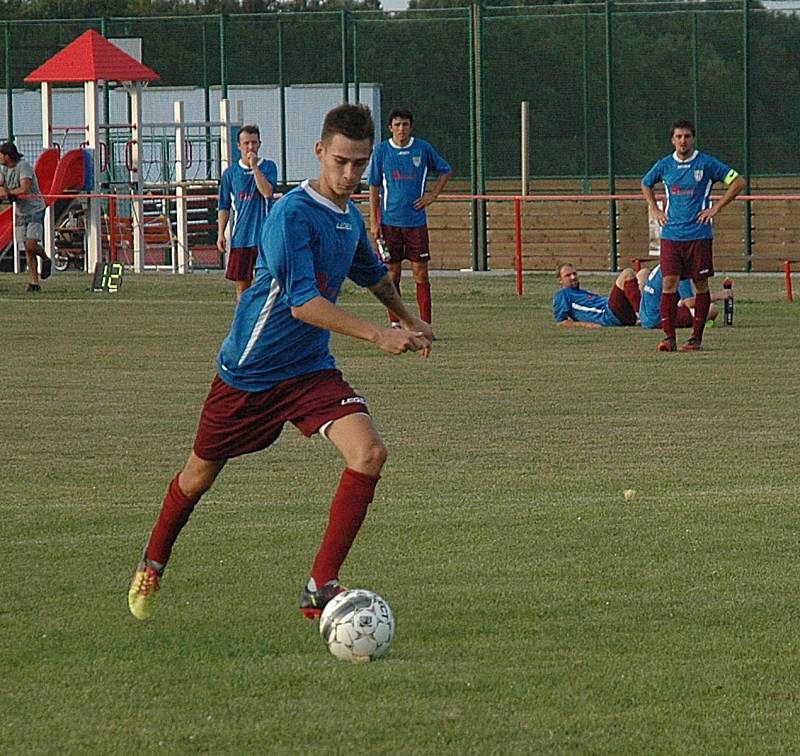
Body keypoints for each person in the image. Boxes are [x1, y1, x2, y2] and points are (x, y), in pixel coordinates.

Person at [128, 104, 433, 622]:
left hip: (309, 369)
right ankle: (153, 560)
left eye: (360, 164)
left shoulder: (349, 217)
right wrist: (379, 334)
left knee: (369, 453)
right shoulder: (292, 214)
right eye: (341, 161)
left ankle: (320, 587)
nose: (351, 174)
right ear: (319, 152)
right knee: (198, 476)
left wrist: (408, 317)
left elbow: (373, 274)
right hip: (250, 373)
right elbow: (303, 303)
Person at [641, 119, 744, 352]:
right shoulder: (665, 165)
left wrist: (716, 208)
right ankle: (669, 338)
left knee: (700, 283)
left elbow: (737, 181)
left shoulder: (706, 163)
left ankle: (696, 338)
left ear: (693, 138)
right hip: (672, 235)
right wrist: (655, 208)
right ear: (672, 140)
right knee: (669, 283)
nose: (683, 141)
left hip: (699, 234)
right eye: (678, 137)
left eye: (687, 136)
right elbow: (646, 183)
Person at [368, 107, 451, 327]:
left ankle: (425, 323)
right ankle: (395, 322)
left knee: (420, 272)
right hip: (389, 222)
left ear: (410, 127)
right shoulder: (382, 151)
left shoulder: (422, 149)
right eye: (397, 125)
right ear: (390, 128)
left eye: (405, 125)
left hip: (415, 223)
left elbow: (445, 170)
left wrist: (431, 196)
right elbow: (374, 187)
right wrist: (373, 221)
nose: (401, 129)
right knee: (392, 273)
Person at [217, 125, 278, 300]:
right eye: (246, 143)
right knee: (242, 287)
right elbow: (224, 206)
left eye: (254, 143)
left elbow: (267, 192)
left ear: (259, 144)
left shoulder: (268, 167)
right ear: (239, 146)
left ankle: (264, 322)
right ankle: (243, 323)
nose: (250, 147)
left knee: (266, 284)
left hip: (264, 237)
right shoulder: (230, 173)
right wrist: (221, 233)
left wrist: (254, 168)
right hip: (241, 237)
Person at [0, 142, 51, 292]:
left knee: (31, 244)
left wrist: (8, 194)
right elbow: (1, 184)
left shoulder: (23, 166)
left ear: (7, 156)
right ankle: (34, 282)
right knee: (27, 249)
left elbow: (24, 188)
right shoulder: (4, 169)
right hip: (20, 211)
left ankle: (46, 259)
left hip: (35, 209)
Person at [639, 263, 728, 330]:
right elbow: (689, 302)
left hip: (645, 316)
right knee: (711, 310)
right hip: (656, 319)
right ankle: (699, 324)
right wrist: (719, 296)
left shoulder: (667, 263)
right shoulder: (679, 269)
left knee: (643, 274)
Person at [552, 263, 643, 329]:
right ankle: (641, 315)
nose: (573, 277)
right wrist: (587, 325)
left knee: (643, 273)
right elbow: (561, 322)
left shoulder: (582, 293)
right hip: (608, 315)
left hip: (622, 313)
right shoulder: (563, 294)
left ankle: (649, 314)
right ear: (560, 280)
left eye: (574, 274)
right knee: (627, 273)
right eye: (568, 275)